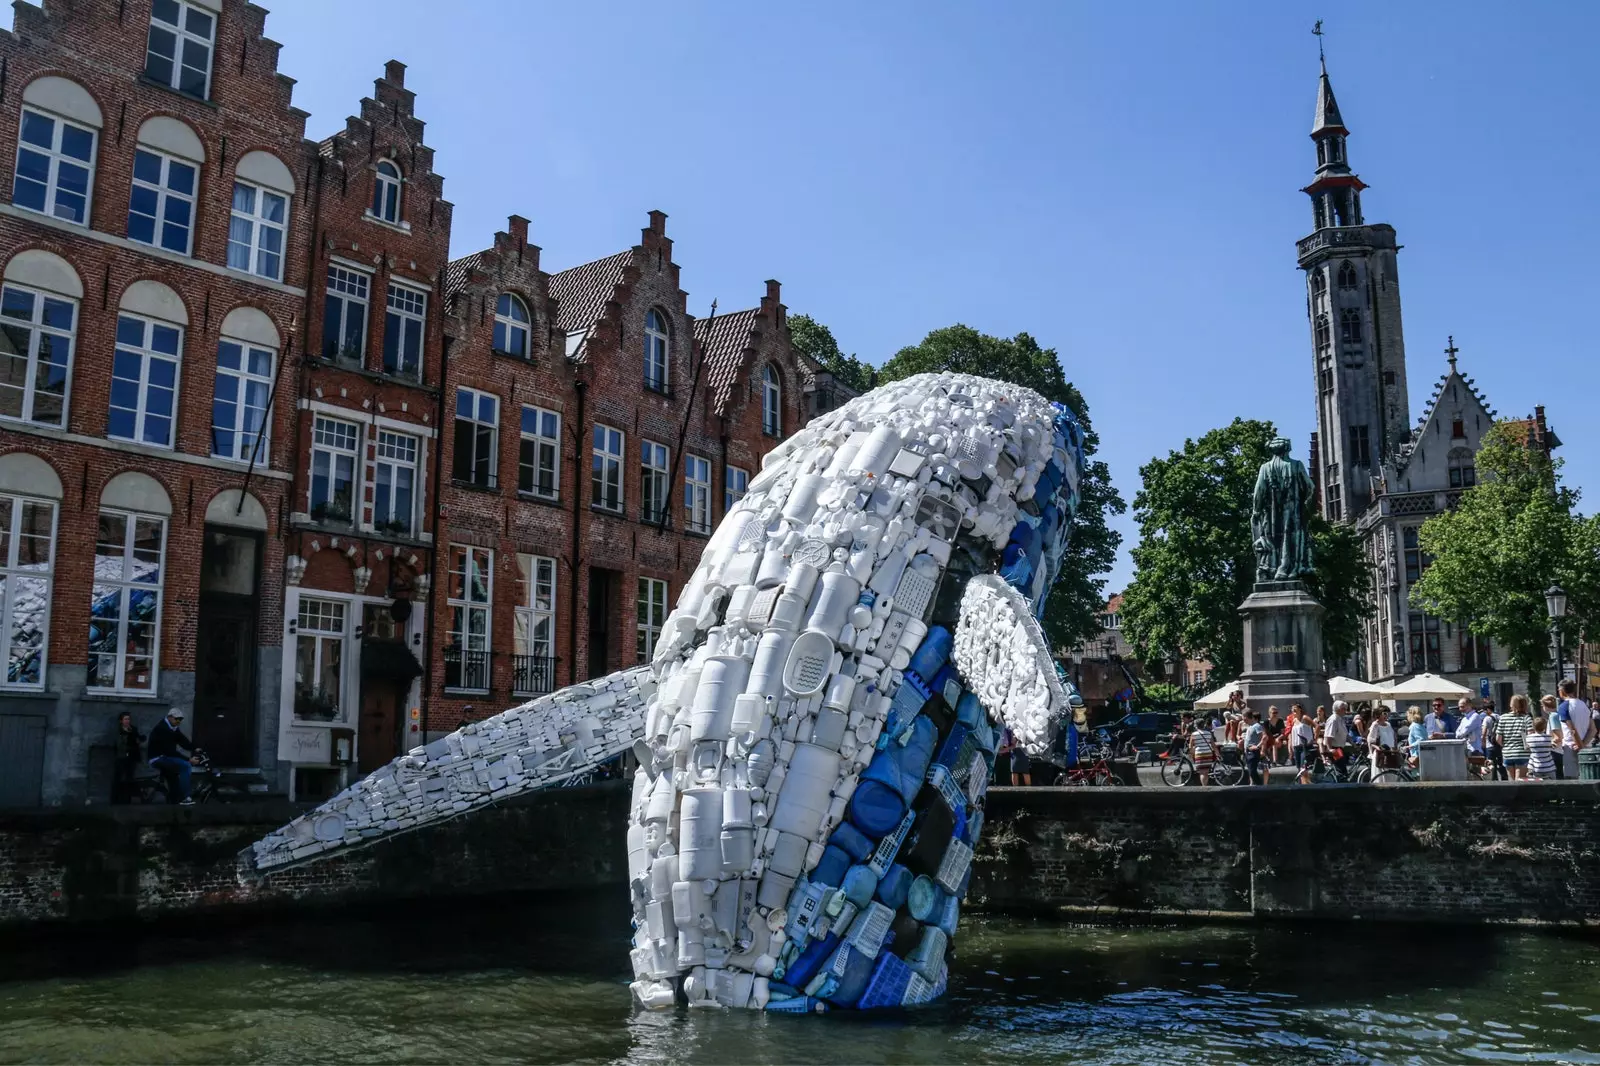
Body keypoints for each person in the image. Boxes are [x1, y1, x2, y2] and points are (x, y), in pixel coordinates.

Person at [147, 708, 197, 805]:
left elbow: (183, 741)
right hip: (158, 758)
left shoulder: (173, 727)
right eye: (176, 719)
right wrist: (189, 759)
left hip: (165, 756)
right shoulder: (163, 728)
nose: (178, 721)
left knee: (173, 778)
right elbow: (170, 751)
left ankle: (174, 801)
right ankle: (185, 797)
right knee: (185, 766)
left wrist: (195, 748)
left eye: (180, 719)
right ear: (169, 717)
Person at [1557, 680, 1594, 778]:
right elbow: (1593, 730)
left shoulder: (1563, 706)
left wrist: (1580, 746)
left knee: (1571, 780)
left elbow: (1572, 729)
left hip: (1571, 747)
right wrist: (1584, 744)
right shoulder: (1584, 705)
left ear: (1562, 691)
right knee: (1587, 777)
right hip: (1586, 747)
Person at [1498, 694, 1534, 781]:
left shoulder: (1503, 718)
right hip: (1522, 753)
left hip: (1507, 753)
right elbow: (1530, 736)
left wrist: (1506, 746)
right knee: (1520, 781)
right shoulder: (1527, 718)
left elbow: (1498, 739)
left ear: (1511, 704)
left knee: (1511, 781)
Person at [112, 712, 143, 804]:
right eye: (125, 719)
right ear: (121, 721)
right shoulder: (119, 731)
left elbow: (137, 739)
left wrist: (138, 741)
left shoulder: (133, 729)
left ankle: (127, 799)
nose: (127, 721)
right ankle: (115, 800)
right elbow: (119, 744)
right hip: (121, 757)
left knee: (129, 778)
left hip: (131, 757)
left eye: (128, 719)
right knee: (118, 778)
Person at [1539, 696, 1566, 779]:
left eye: (1542, 706)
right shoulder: (1557, 714)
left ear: (1546, 706)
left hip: (1556, 751)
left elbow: (1558, 737)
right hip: (1559, 750)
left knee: (1557, 776)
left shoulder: (1553, 716)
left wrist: (1547, 744)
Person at [1368, 704, 1398, 777]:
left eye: (1388, 713)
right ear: (1379, 714)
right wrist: (1377, 748)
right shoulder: (1375, 725)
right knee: (1382, 776)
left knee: (1391, 775)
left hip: (1390, 753)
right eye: (1384, 713)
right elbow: (1370, 740)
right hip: (1381, 754)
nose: (1386, 715)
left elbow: (1393, 737)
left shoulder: (1388, 724)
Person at [1323, 700, 1351, 777]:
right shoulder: (1333, 720)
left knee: (1342, 768)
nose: (1345, 711)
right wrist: (1329, 749)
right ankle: (1341, 786)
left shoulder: (1340, 719)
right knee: (1341, 771)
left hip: (1339, 748)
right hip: (1335, 748)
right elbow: (1328, 735)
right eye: (1344, 709)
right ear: (1338, 709)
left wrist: (1353, 743)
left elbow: (1345, 734)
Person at [1481, 700, 1507, 781]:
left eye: (1485, 710)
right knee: (1500, 763)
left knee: (1491, 763)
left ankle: (1494, 779)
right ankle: (1504, 778)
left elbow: (1484, 732)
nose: (1484, 712)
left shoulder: (1487, 718)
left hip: (1490, 745)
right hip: (1499, 744)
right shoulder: (1500, 717)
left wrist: (1483, 743)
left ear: (1488, 709)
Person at [1290, 704, 1316, 784]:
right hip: (1296, 747)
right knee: (1299, 769)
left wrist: (1314, 739)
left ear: (1300, 709)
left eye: (1296, 708)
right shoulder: (1294, 720)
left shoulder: (1304, 718)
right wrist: (1291, 745)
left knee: (1303, 768)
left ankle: (1306, 786)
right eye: (1292, 708)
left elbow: (1317, 726)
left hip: (1305, 746)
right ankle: (1304, 785)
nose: (1294, 709)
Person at [1526, 714, 1556, 781]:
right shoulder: (1548, 738)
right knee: (1553, 784)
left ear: (1533, 727)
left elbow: (1527, 748)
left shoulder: (1529, 738)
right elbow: (1553, 746)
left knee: (1538, 786)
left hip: (1536, 767)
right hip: (1549, 767)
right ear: (1545, 727)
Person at [1188, 715, 1216, 787]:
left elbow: (1190, 746)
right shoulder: (1209, 733)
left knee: (1202, 772)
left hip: (1199, 754)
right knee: (1206, 772)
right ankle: (1205, 785)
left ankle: (1204, 787)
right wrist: (1217, 753)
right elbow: (1213, 745)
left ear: (1196, 726)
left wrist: (1191, 754)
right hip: (1208, 753)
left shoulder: (1194, 734)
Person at [1242, 710, 1266, 785]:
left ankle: (1260, 786)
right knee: (1250, 771)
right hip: (1248, 752)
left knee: (1252, 772)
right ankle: (1254, 787)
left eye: (1244, 718)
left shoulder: (1257, 726)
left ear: (1247, 717)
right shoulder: (1250, 726)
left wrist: (1258, 746)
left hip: (1253, 752)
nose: (1243, 720)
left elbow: (1265, 737)